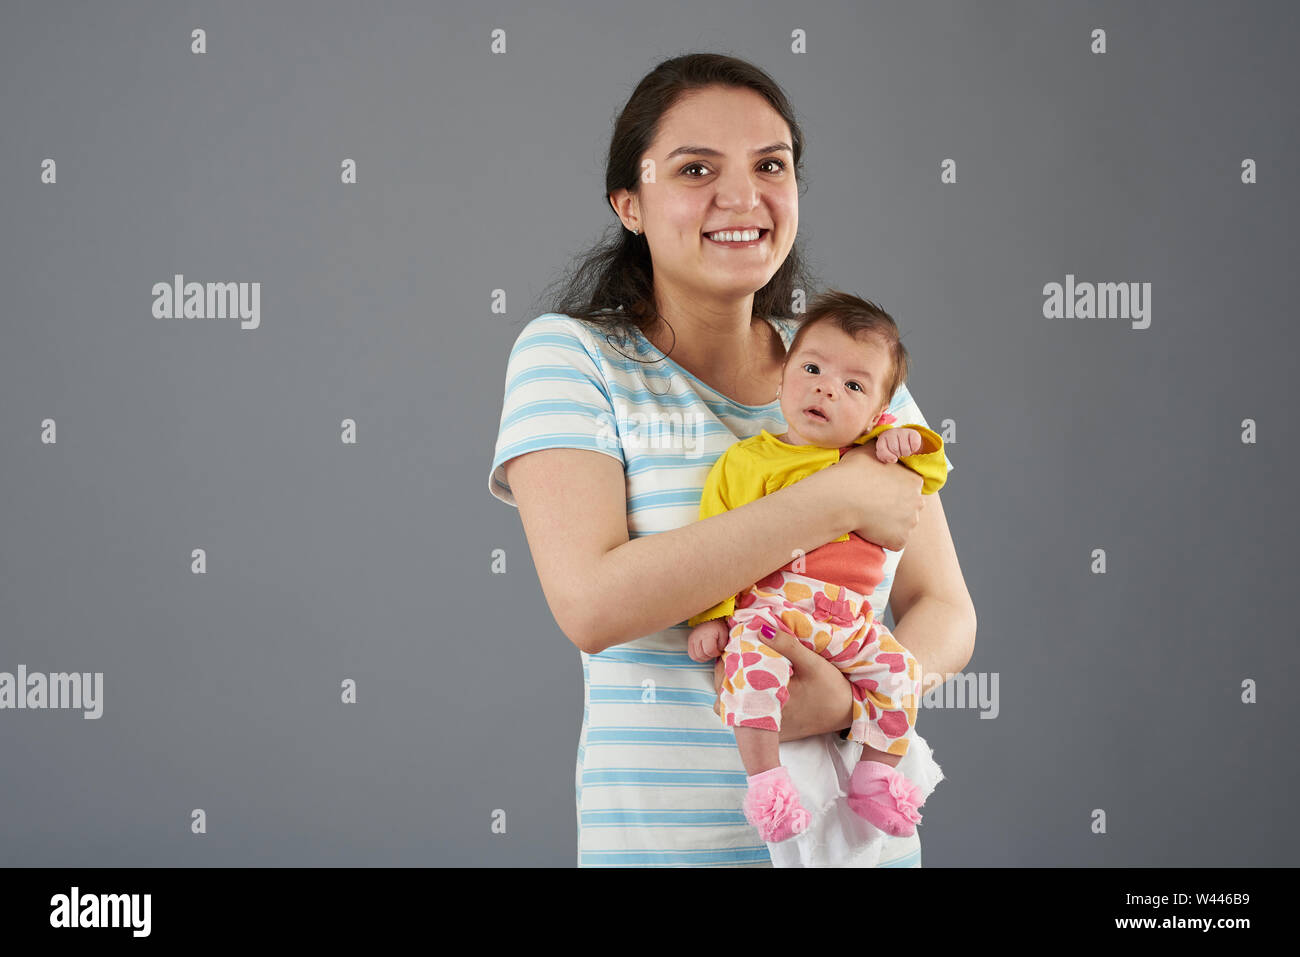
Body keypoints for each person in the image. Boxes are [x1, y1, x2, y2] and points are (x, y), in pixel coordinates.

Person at [487, 53, 977, 867]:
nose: (742, 197)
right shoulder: (572, 359)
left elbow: (946, 608)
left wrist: (851, 698)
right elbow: (593, 603)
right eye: (695, 168)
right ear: (629, 203)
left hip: (856, 853)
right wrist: (838, 496)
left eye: (770, 165)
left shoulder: (848, 372)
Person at [683, 291, 948, 847]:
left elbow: (934, 465)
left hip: (850, 621)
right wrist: (710, 619)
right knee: (749, 676)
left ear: (877, 414)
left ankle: (876, 776)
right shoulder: (748, 460)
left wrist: (907, 441)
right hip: (772, 617)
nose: (827, 387)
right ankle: (767, 784)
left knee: (901, 674)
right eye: (812, 369)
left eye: (853, 385)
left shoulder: (877, 454)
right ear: (782, 378)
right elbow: (713, 541)